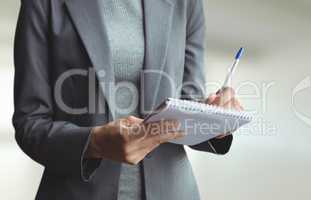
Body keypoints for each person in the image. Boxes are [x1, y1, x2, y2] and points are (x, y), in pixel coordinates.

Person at [13, 0, 243, 199]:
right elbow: (30, 124)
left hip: (172, 190)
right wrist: (94, 142)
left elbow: (187, 103)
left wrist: (214, 117)